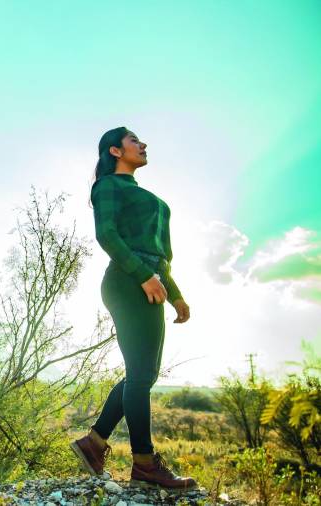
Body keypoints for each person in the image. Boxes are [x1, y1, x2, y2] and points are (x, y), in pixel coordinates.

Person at [69, 126, 197, 490]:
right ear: (114, 151)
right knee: (141, 376)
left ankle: (93, 444)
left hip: (148, 281)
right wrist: (143, 276)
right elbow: (107, 235)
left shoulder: (152, 199)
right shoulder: (107, 186)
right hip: (127, 281)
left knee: (143, 375)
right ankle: (144, 463)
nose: (142, 145)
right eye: (133, 141)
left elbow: (162, 259)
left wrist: (175, 294)